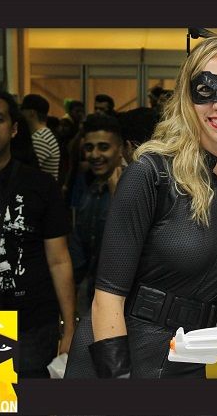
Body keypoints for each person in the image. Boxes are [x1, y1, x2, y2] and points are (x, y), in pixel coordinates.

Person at [66, 32, 217, 379]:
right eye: (205, 90)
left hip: (187, 358)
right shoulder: (151, 173)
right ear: (186, 99)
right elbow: (107, 298)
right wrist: (118, 378)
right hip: (119, 358)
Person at [0, 89, 76, 378]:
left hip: (33, 320)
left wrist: (68, 325)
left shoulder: (40, 186)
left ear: (15, 128)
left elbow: (59, 260)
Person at [68, 113, 125, 316]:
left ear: (120, 149)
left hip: (122, 304)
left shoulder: (132, 190)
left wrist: (118, 198)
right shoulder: (90, 190)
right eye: (89, 147)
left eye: (103, 147)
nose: (94, 155)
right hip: (90, 300)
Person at [20, 93, 61, 180]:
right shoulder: (44, 134)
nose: (20, 114)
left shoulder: (40, 139)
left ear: (31, 113)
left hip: (42, 191)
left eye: (23, 110)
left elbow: (25, 171)